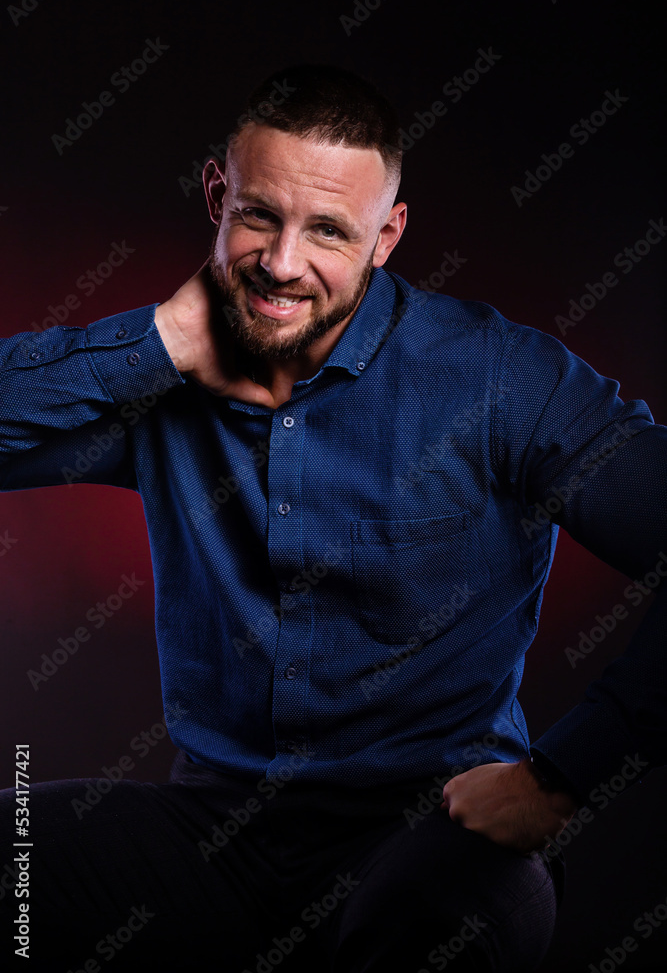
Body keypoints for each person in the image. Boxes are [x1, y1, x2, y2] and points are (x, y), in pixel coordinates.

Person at [1, 63, 665, 973]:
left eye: (326, 231)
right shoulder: (160, 377)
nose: (281, 264)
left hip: (430, 834)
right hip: (213, 832)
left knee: (440, 928)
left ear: (386, 234)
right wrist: (155, 341)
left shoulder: (500, 380)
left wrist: (560, 779)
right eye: (259, 216)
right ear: (214, 195)